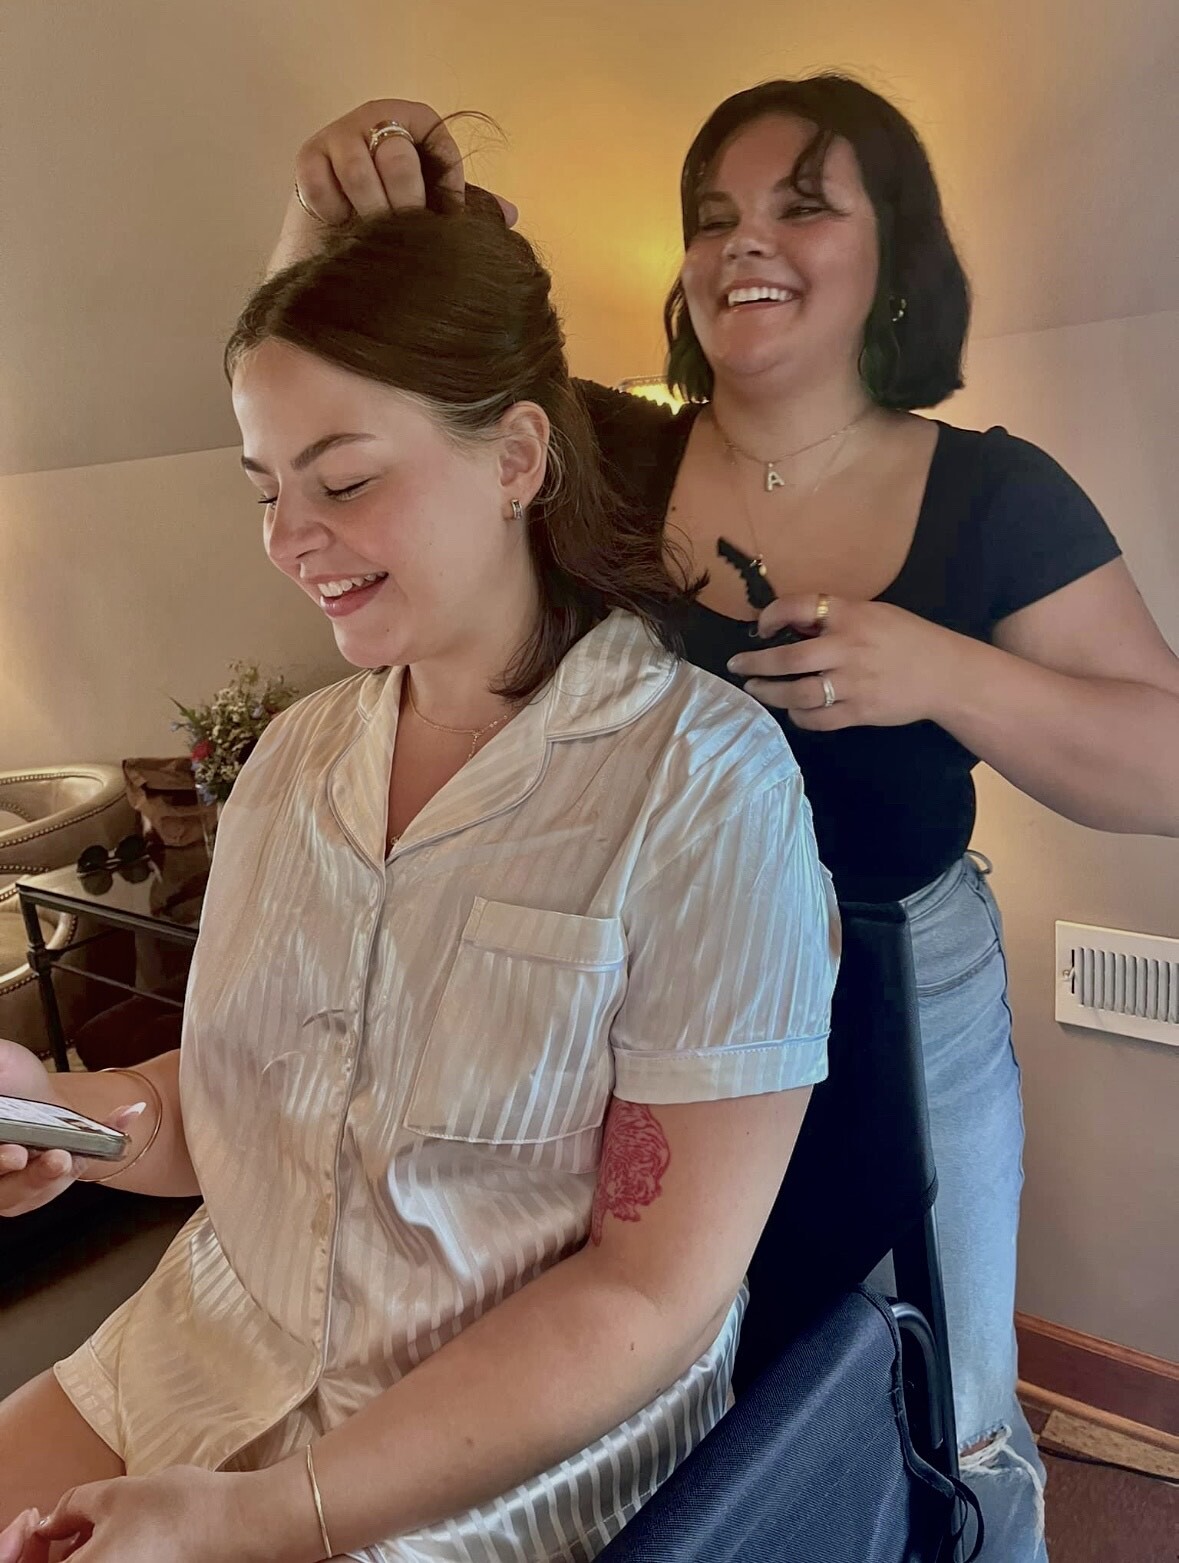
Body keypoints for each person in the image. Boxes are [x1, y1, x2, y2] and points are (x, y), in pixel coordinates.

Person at [272, 79, 1179, 1563]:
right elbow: (376, 414)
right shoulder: (610, 458)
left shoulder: (997, 495)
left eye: (803, 202)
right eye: (711, 218)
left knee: (943, 1387)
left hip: (898, 980)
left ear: (896, 256)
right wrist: (320, 220)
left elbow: (1165, 760)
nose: (742, 243)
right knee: (689, 1368)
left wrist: (937, 669)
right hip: (648, 994)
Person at [0, 199, 839, 1561]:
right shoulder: (290, 764)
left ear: (514, 457)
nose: (287, 539)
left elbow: (651, 1293)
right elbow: (242, 1118)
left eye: (341, 481)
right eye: (266, 487)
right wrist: (73, 1117)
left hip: (494, 1457)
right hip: (211, 1344)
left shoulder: (700, 788)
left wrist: (268, 1517)